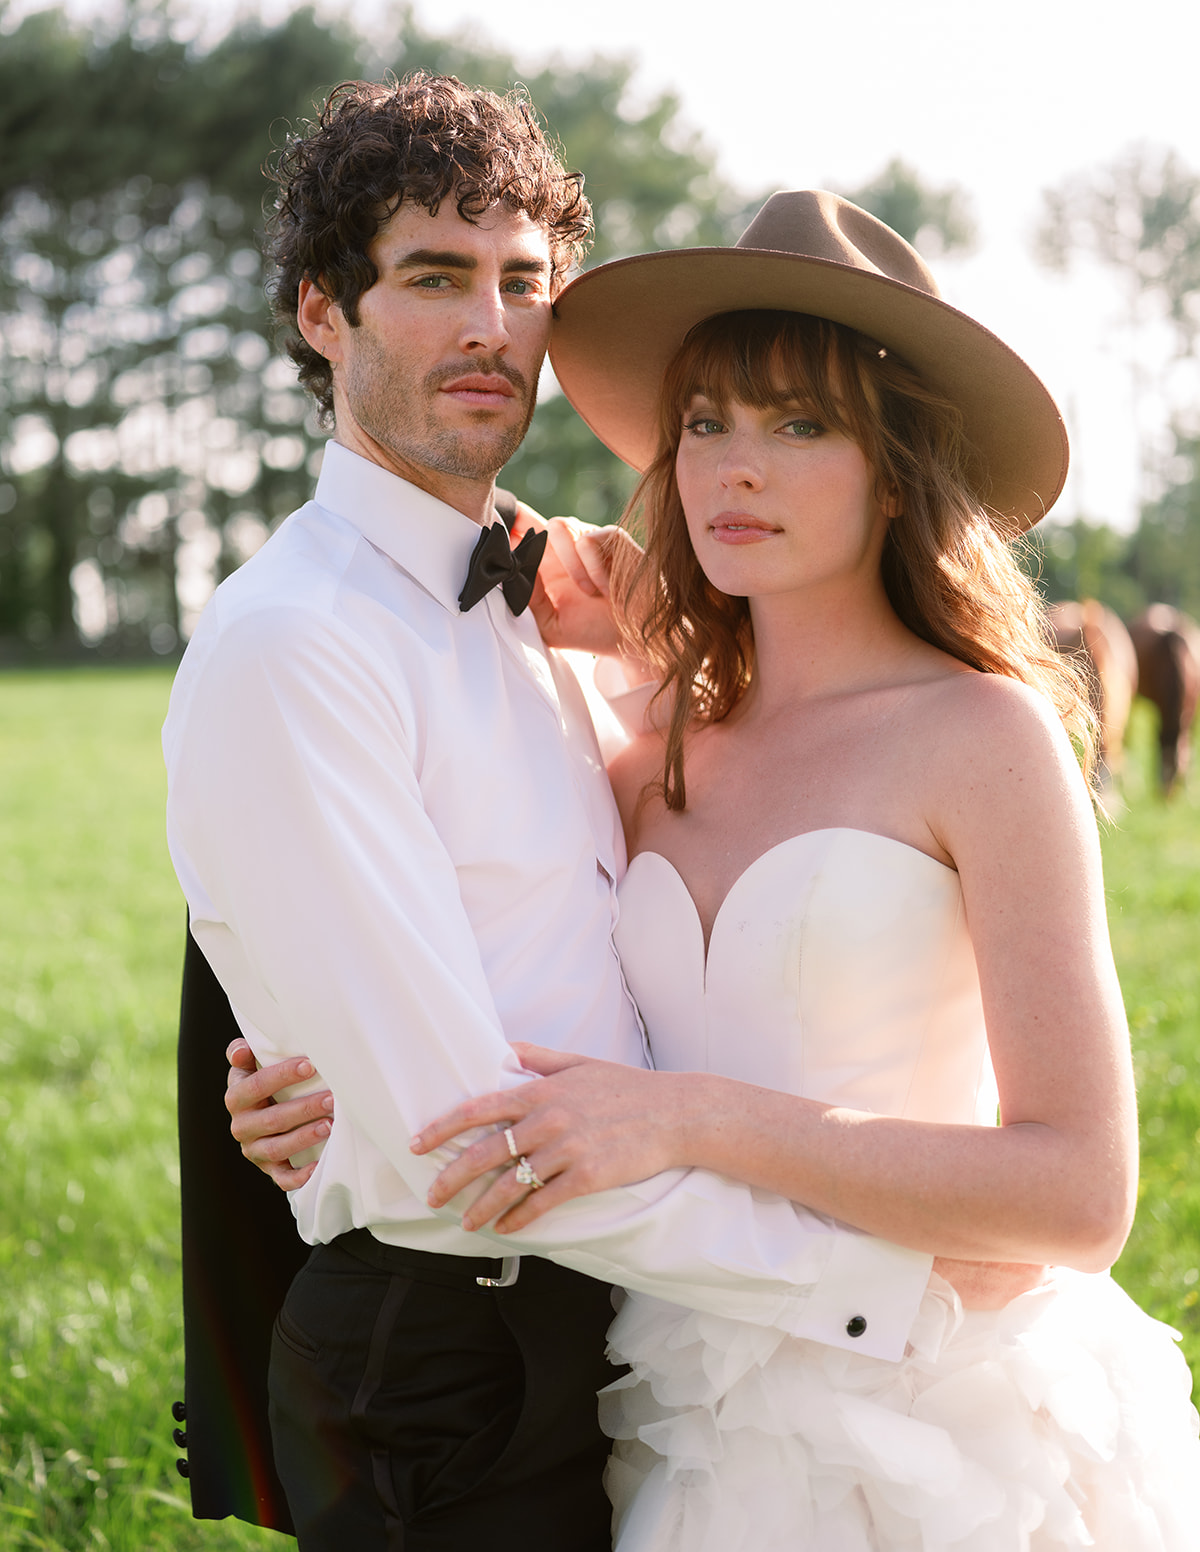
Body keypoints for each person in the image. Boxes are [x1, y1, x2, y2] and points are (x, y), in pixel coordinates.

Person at [165, 82, 958, 1552]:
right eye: (432, 278)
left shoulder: (537, 603)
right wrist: (875, 1292)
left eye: (522, 281)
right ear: (321, 314)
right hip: (458, 1357)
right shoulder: (296, 641)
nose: (489, 327)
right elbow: (459, 1139)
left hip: (636, 1329)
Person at [382, 191, 1199, 1546]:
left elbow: (1081, 1196)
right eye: (707, 422)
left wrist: (696, 1119)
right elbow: (507, 989)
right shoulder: (646, 751)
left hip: (947, 1430)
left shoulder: (984, 735)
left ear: (899, 465)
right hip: (680, 1406)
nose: (731, 469)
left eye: (798, 424)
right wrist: (317, 1082)